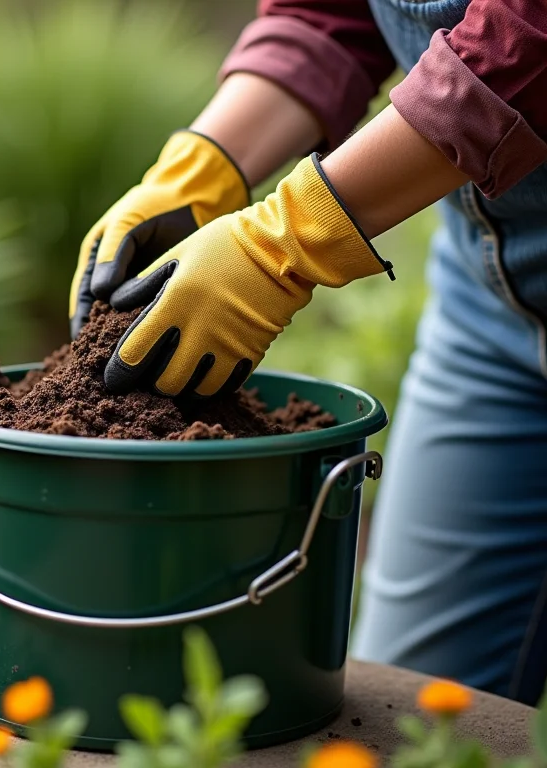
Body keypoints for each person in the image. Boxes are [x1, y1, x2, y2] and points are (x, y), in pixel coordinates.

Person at [69, 0, 547, 706]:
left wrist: (287, 240)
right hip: (491, 310)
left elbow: (526, 38)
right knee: (416, 709)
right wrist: (203, 166)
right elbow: (332, 12)